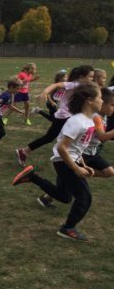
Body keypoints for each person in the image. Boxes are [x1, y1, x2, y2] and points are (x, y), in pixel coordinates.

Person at [12, 83, 102, 242]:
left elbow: (77, 147)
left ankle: (32, 177)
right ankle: (68, 229)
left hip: (71, 160)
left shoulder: (89, 121)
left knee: (65, 196)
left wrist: (83, 164)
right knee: (84, 197)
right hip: (64, 162)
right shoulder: (77, 121)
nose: (102, 101)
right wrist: (75, 168)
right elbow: (61, 148)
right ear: (89, 101)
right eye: (100, 97)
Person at [16, 65, 94, 167]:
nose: (92, 79)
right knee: (58, 138)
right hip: (65, 116)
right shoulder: (74, 84)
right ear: (82, 77)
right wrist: (44, 92)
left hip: (69, 116)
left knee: (52, 137)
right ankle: (73, 161)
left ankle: (25, 151)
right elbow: (56, 85)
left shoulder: (84, 86)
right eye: (90, 77)